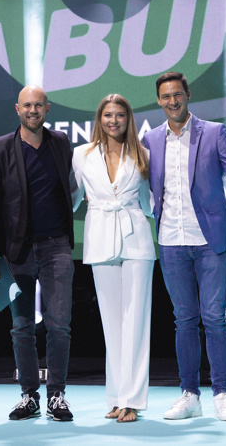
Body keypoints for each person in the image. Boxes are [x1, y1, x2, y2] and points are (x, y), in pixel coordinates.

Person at [141, 72, 226, 422]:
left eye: (177, 94)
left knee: (214, 319)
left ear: (188, 95)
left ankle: (222, 393)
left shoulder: (215, 132)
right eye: (166, 96)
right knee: (184, 320)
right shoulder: (150, 139)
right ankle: (189, 394)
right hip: (170, 241)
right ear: (158, 101)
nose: (172, 101)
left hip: (209, 240)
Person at [0, 85, 75, 422]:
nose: (33, 110)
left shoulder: (61, 142)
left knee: (59, 325)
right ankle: (29, 396)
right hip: (17, 251)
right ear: (17, 109)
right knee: (21, 327)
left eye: (38, 105)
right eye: (27, 105)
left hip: (57, 246)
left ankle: (57, 395)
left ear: (47, 109)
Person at [72, 94, 155, 423]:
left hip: (137, 240)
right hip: (100, 239)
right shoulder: (81, 155)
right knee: (112, 324)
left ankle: (132, 401)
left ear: (128, 119)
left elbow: (149, 202)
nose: (114, 120)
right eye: (108, 115)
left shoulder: (143, 153)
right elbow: (72, 198)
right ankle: (117, 397)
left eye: (120, 115)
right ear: (100, 118)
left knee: (136, 322)